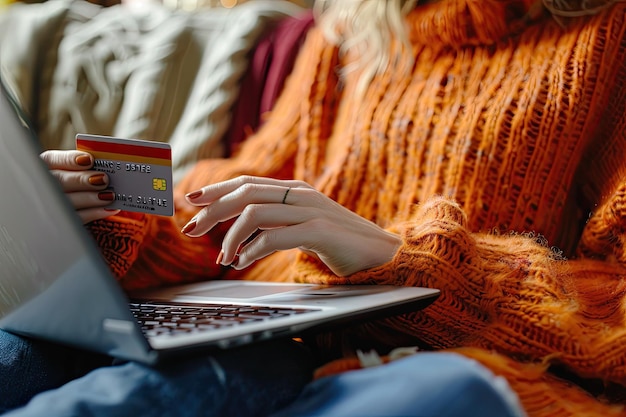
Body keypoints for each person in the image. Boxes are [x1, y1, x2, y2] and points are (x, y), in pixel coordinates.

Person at [2, 0, 626, 415]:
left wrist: (406, 267)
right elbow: (243, 199)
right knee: (23, 350)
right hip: (280, 330)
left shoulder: (609, 39)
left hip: (463, 370)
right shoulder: (357, 29)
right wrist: (118, 211)